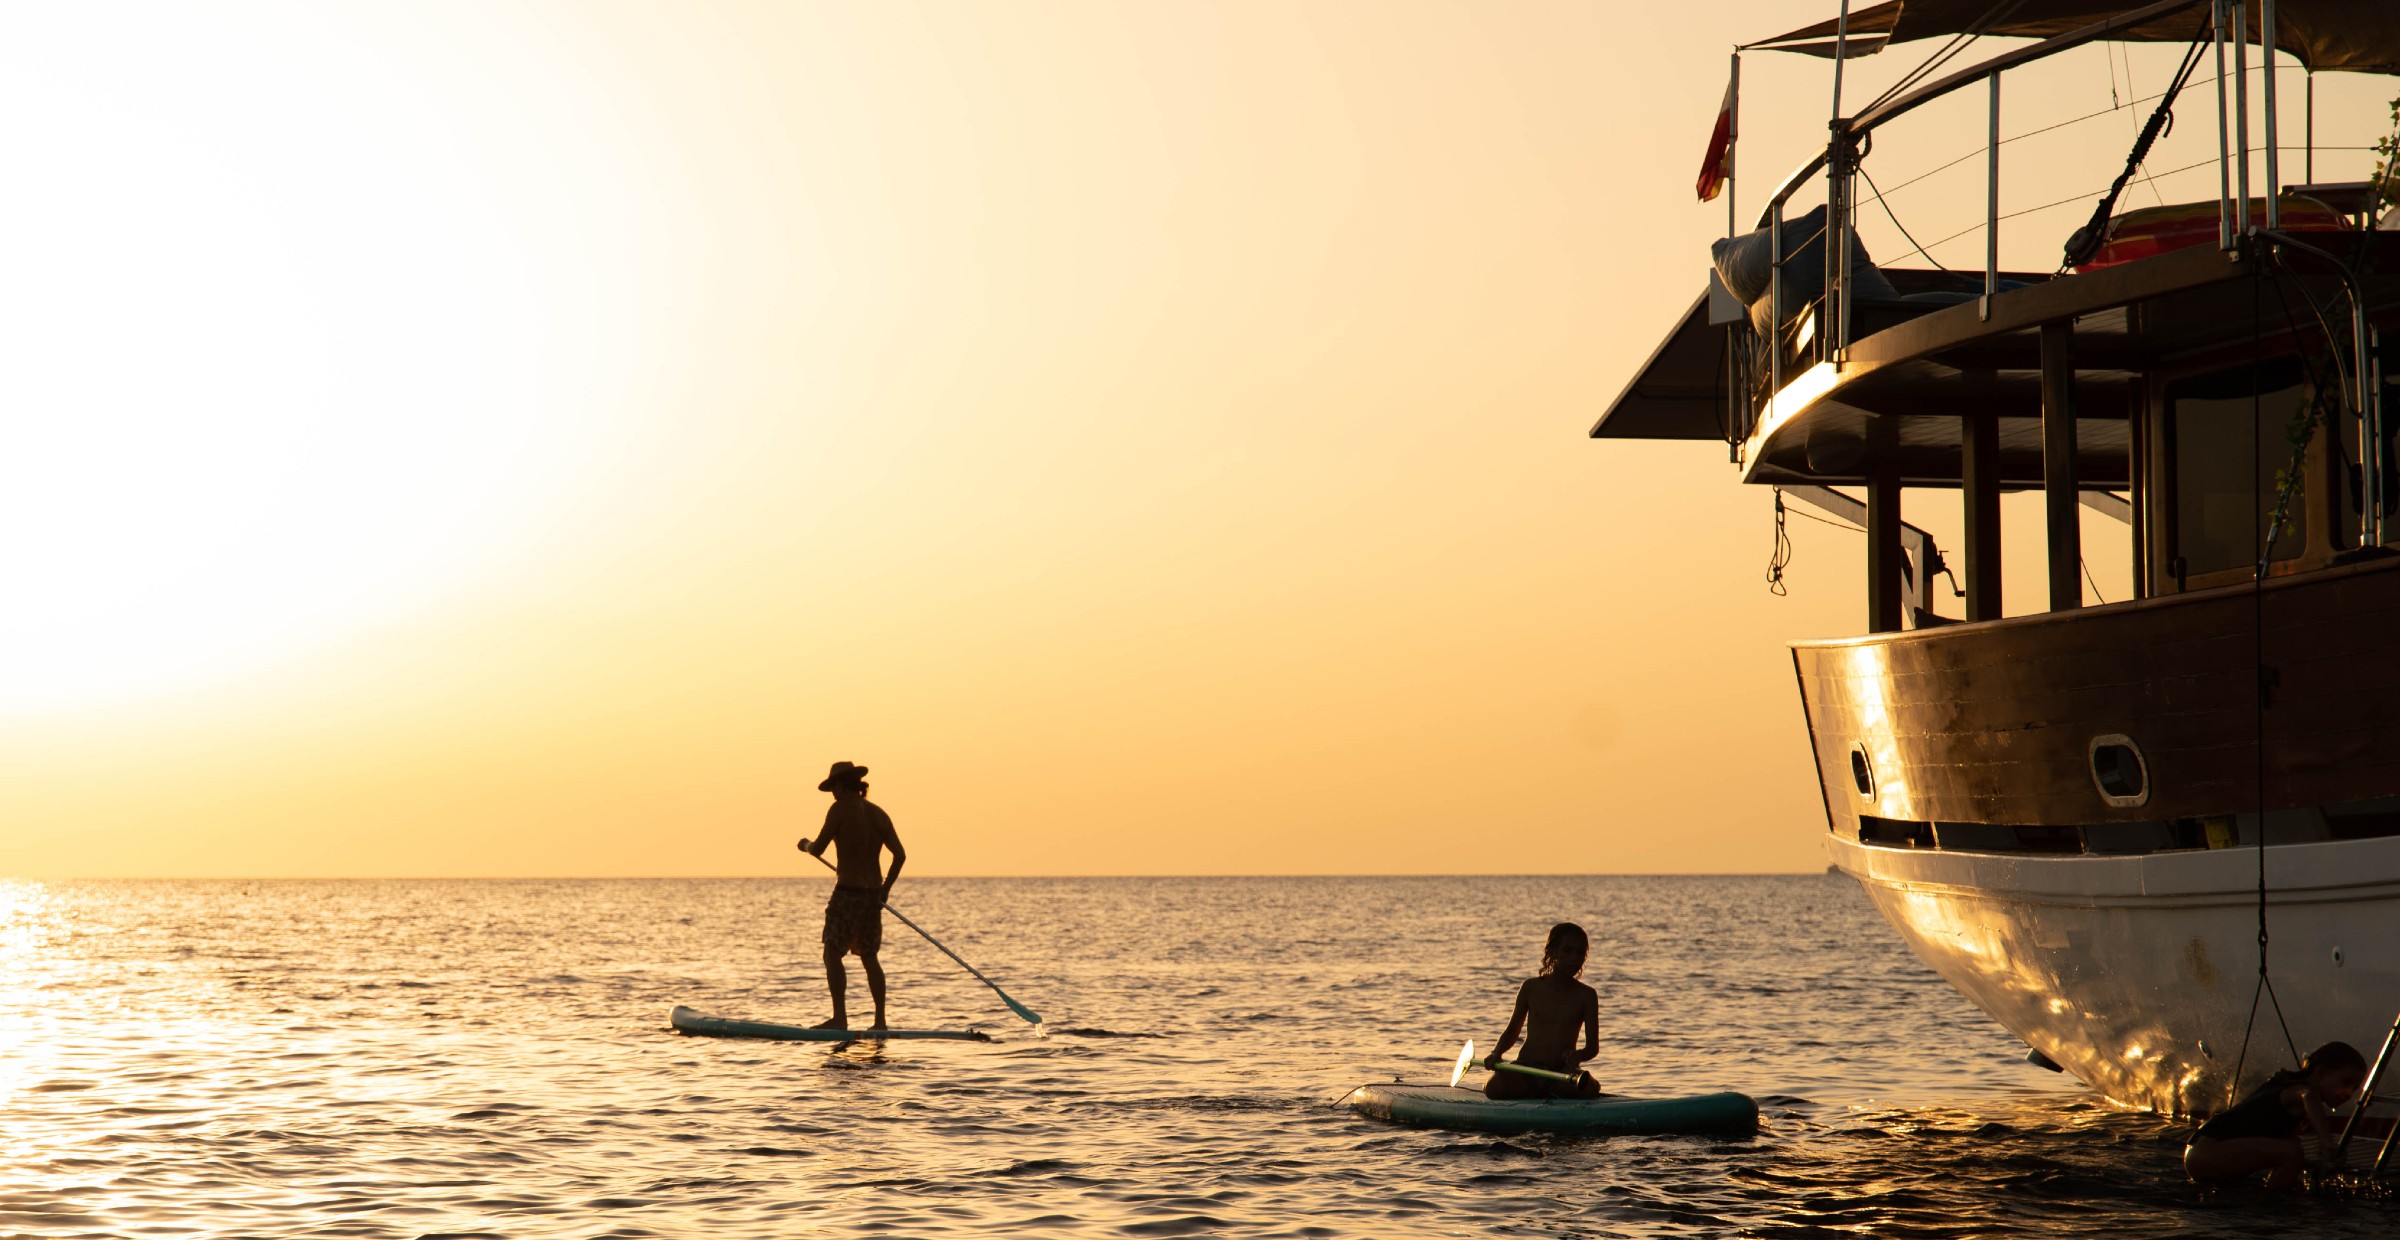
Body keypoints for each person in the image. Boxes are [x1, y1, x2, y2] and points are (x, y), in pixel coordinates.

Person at [797, 760, 906, 1030]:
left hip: (847, 894)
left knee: (832, 954)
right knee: (870, 958)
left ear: (841, 785)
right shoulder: (878, 813)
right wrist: (885, 890)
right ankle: (880, 1022)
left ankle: (840, 1019)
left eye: (833, 786)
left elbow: (818, 848)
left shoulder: (839, 809)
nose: (832, 793)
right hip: (872, 896)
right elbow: (900, 855)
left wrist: (805, 845)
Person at [2184, 1041, 2369, 1190]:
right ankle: (2273, 1203)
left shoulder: (2286, 1088)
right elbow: (2308, 1096)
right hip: (2207, 1153)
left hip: (2203, 1151)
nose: (2348, 1093)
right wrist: (2326, 1141)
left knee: (2291, 1145)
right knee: (2290, 1152)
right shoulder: (2299, 1090)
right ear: (2320, 1073)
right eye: (2345, 1082)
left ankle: (2284, 1187)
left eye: (2354, 1088)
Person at [1482, 921, 1601, 1099]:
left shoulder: (1587, 996)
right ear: (1552, 952)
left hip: (1560, 1074)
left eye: (1580, 952)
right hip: (1526, 1068)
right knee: (1494, 1088)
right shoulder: (1531, 988)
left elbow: (1593, 1048)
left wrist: (1578, 1056)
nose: (1575, 958)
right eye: (1567, 951)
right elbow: (1513, 1030)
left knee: (1590, 1089)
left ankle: (1552, 1092)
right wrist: (1497, 1052)